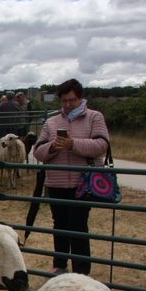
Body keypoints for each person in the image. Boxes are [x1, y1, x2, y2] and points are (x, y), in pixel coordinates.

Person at [33, 78, 110, 275]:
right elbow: (38, 151)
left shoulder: (94, 118)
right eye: (64, 101)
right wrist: (52, 147)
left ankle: (81, 271)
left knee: (77, 224)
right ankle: (60, 265)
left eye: (72, 100)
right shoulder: (51, 122)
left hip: (83, 183)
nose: (68, 105)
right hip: (56, 182)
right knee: (59, 224)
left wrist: (72, 144)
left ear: (80, 98)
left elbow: (102, 145)